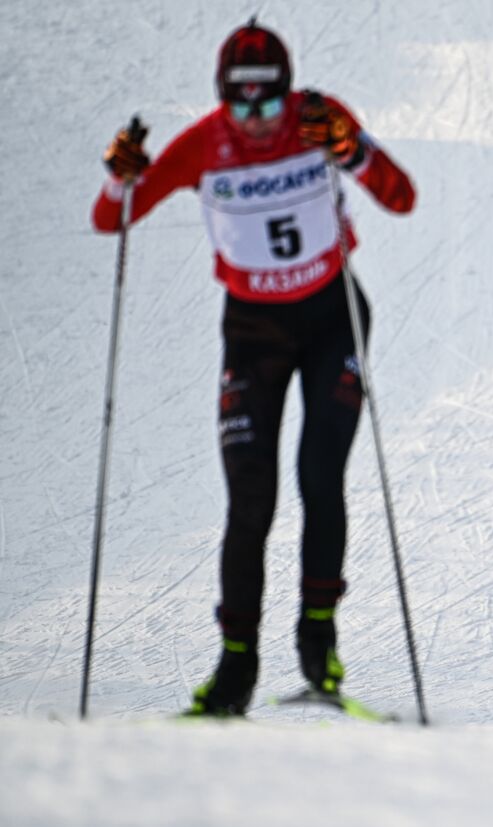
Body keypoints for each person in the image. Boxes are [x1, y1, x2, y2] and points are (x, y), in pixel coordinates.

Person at [92, 18, 416, 716]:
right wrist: (122, 179)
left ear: (287, 91)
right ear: (222, 99)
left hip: (332, 319)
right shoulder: (202, 145)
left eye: (269, 102)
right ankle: (235, 667)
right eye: (241, 106)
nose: (258, 120)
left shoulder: (318, 121)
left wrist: (352, 151)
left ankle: (318, 644)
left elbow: (401, 196)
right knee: (250, 500)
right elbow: (111, 218)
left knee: (319, 476)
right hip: (252, 333)